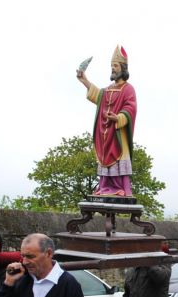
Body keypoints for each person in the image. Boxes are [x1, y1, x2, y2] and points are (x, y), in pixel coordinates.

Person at [77, 45, 137, 197]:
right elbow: (99, 96)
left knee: (120, 159)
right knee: (105, 160)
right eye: (112, 66)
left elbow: (131, 108)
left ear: (123, 68)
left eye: (115, 66)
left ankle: (121, 189)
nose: (113, 69)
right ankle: (105, 188)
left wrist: (118, 117)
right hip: (106, 135)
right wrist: (84, 80)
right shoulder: (108, 89)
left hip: (118, 133)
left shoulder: (128, 89)